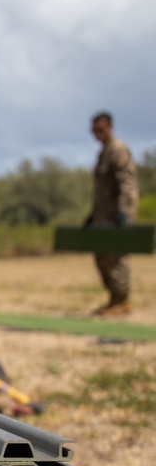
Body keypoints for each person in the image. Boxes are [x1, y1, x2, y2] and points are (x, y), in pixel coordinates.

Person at [86, 111, 138, 317]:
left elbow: (127, 184)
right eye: (93, 130)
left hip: (117, 216)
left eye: (100, 129)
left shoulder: (118, 150)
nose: (96, 133)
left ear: (110, 128)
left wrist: (124, 212)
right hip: (102, 216)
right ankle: (113, 300)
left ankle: (123, 301)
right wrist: (92, 214)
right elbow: (101, 191)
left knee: (117, 259)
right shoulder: (103, 153)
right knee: (102, 258)